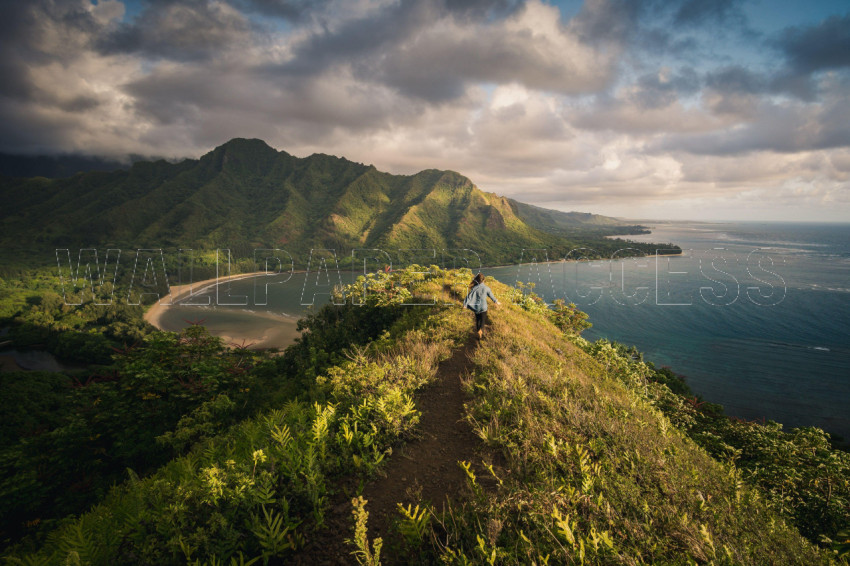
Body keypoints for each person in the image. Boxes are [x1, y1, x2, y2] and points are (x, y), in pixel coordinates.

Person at [463, 273, 498, 338]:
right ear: (484, 280)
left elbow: (469, 297)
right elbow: (491, 296)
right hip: (483, 307)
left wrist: (465, 304)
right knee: (483, 320)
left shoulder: (474, 288)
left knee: (478, 320)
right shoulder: (486, 288)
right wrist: (496, 301)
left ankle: (478, 332)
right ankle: (481, 331)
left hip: (476, 307)